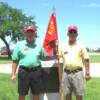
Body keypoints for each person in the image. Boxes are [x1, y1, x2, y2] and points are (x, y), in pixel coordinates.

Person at [11, 25, 44, 100]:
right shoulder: (19, 45)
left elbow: (43, 57)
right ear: (25, 34)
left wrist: (54, 56)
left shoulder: (39, 45)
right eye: (28, 32)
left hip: (36, 71)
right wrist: (13, 74)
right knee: (22, 94)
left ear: (34, 34)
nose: (30, 34)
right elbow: (15, 61)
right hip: (23, 71)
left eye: (31, 32)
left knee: (36, 93)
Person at [58, 25, 91, 100]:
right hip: (66, 73)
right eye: (70, 32)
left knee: (79, 94)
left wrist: (87, 73)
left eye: (74, 32)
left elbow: (86, 60)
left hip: (78, 73)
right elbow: (59, 61)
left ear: (77, 34)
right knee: (67, 94)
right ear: (67, 34)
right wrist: (60, 75)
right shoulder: (62, 46)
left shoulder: (81, 45)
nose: (72, 34)